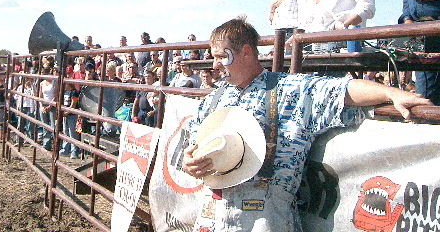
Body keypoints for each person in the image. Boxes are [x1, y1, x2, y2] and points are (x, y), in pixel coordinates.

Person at [181, 17, 430, 231]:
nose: (214, 66)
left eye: (221, 57)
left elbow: (342, 90)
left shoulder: (291, 91)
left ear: (246, 52)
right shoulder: (212, 100)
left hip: (265, 216)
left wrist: (391, 94)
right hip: (212, 209)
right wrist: (190, 162)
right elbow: (191, 150)